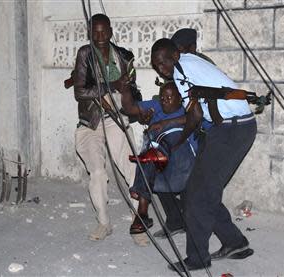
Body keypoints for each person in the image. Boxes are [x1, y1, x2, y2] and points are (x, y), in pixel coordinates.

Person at [151, 38, 256, 271]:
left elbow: (195, 115)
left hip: (233, 129)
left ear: (175, 55)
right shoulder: (188, 62)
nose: (161, 69)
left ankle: (198, 258)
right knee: (198, 190)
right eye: (156, 65)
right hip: (230, 128)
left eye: (163, 62)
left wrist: (176, 143)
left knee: (198, 195)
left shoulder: (180, 71)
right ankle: (234, 242)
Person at [72, 13, 137, 241]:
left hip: (115, 118)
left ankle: (139, 219)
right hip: (90, 123)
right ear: (89, 33)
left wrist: (127, 92)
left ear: (111, 31)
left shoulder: (124, 56)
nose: (100, 36)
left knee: (131, 168)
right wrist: (110, 86)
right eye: (95, 32)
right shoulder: (85, 54)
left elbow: (132, 90)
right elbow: (80, 92)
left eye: (103, 31)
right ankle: (104, 223)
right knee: (97, 173)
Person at [119, 81, 196, 239]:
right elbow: (129, 108)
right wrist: (124, 87)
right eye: (162, 97)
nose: (165, 100)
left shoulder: (186, 111)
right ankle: (172, 221)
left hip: (182, 159)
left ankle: (143, 211)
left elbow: (194, 118)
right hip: (161, 159)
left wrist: (165, 123)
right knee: (152, 166)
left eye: (169, 97)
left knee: (153, 156)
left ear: (180, 98)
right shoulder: (156, 105)